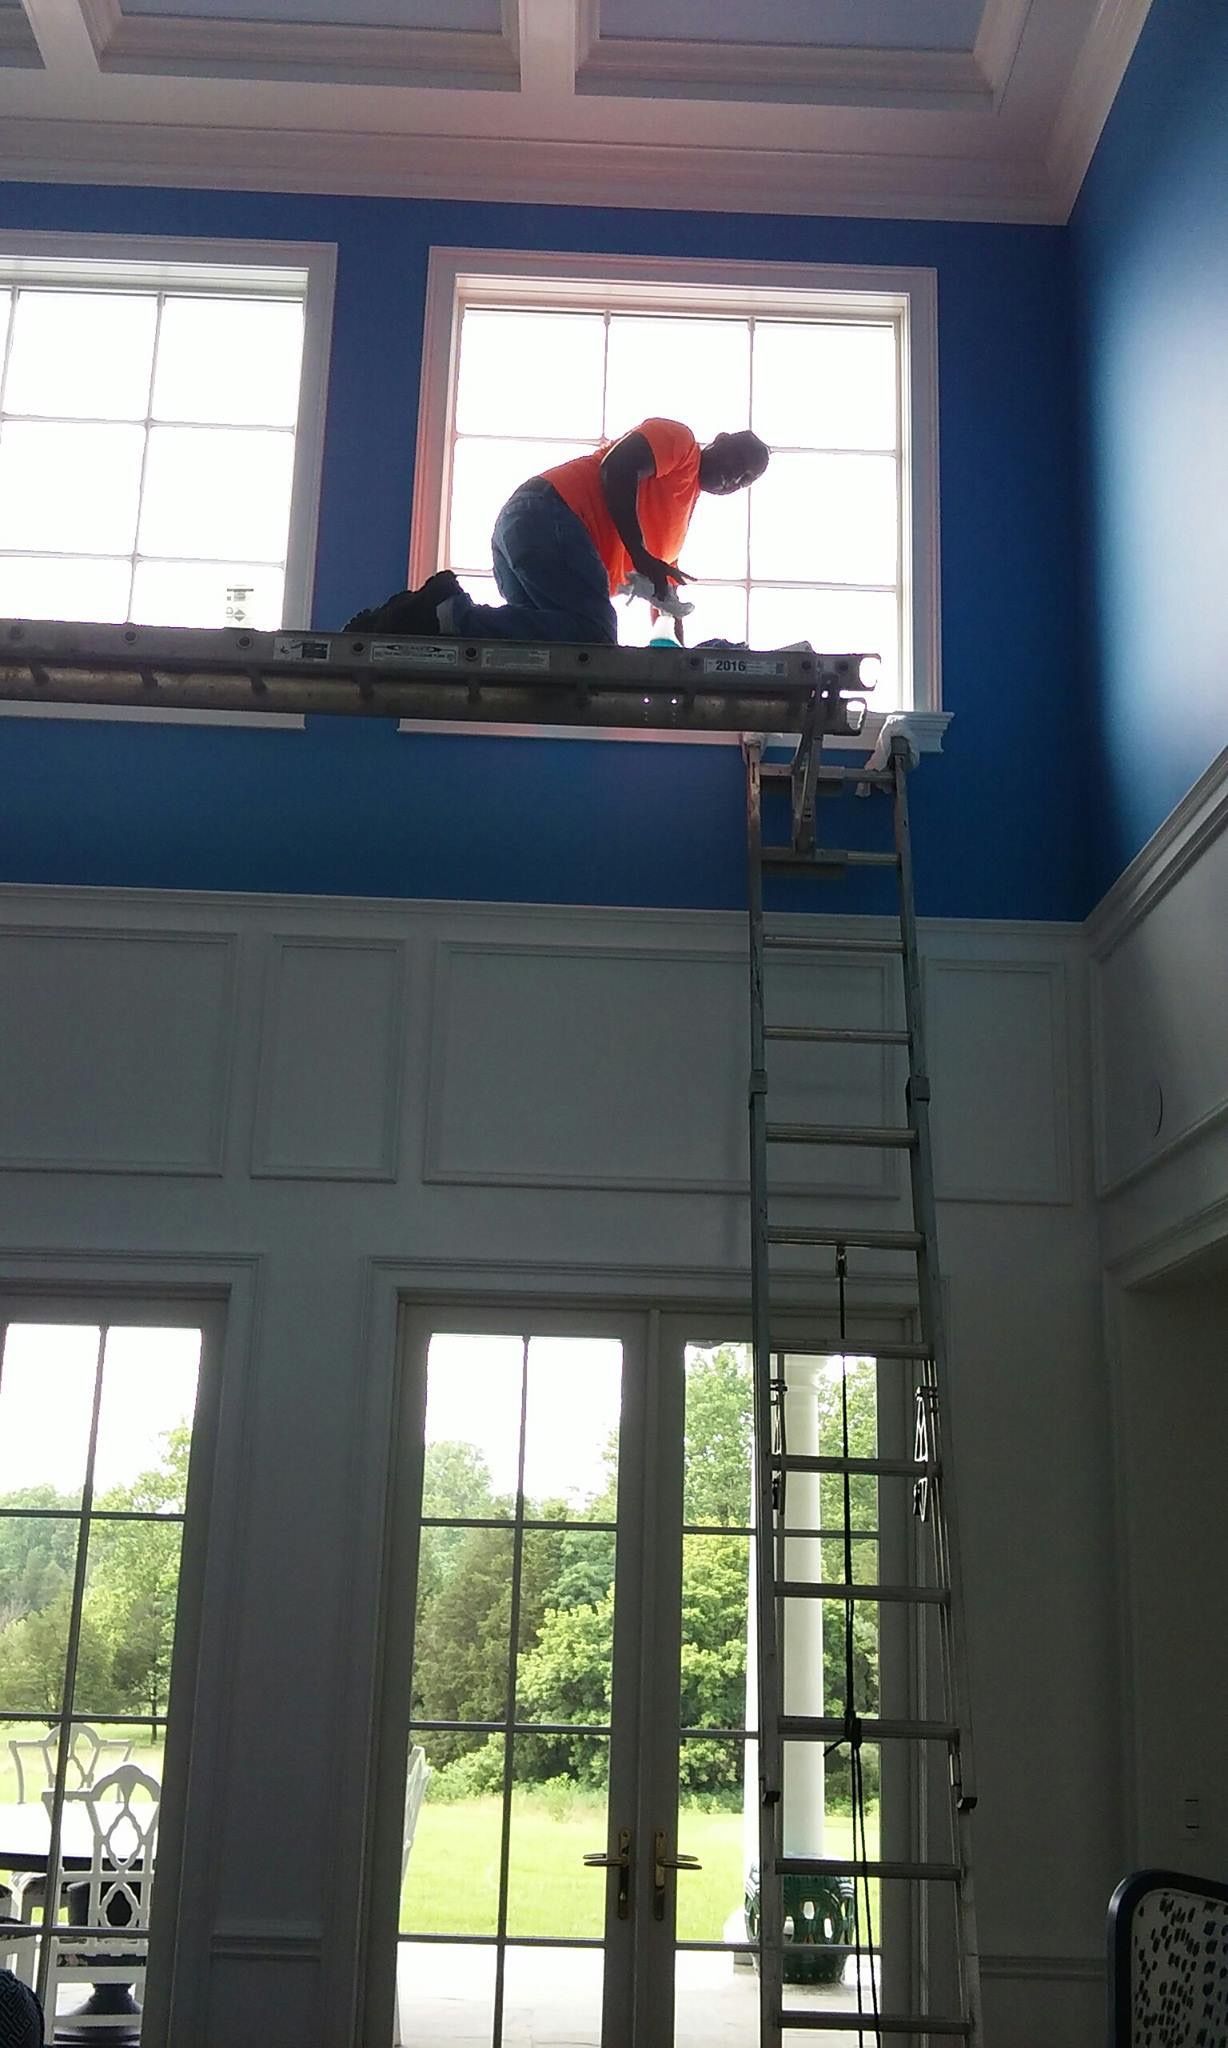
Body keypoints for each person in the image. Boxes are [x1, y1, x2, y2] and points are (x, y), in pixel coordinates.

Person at [345, 419, 769, 643]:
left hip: (530, 534)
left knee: (550, 650)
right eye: (738, 461)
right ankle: (448, 614)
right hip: (550, 515)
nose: (736, 478)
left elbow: (664, 601)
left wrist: (678, 659)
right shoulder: (680, 443)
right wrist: (639, 554)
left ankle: (413, 618)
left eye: (746, 480)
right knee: (595, 634)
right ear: (721, 438)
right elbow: (617, 467)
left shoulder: (676, 524)